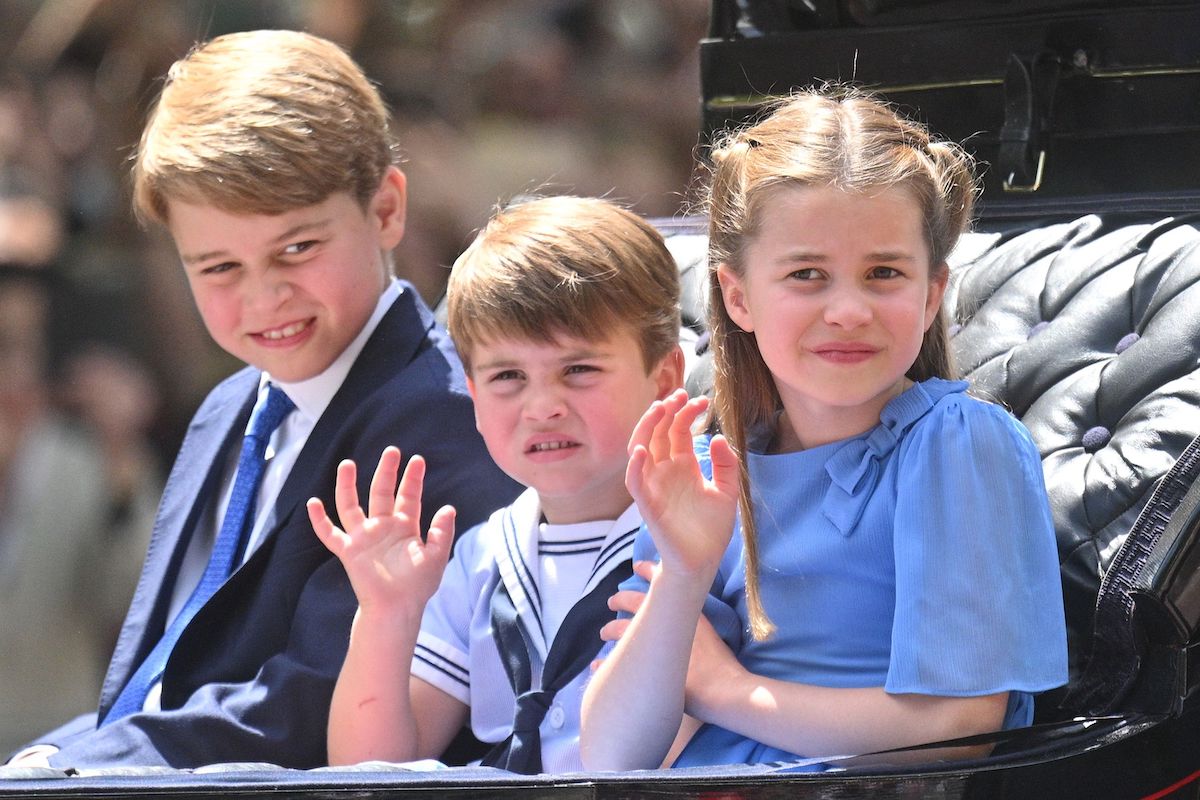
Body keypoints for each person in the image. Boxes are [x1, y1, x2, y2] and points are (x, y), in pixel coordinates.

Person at [6, 29, 519, 770]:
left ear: (385, 211)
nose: (263, 297)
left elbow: (308, 700)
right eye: (217, 266)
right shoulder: (229, 409)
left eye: (297, 249)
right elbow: (167, 678)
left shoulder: (443, 416)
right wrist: (56, 756)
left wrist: (81, 768)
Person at [580, 87, 1069, 770]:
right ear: (739, 296)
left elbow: (959, 723)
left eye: (884, 274)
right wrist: (683, 575)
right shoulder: (710, 472)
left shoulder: (956, 445)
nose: (847, 309)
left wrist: (729, 689)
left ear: (931, 295)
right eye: (807, 274)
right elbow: (608, 754)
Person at [308, 196, 685, 773]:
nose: (543, 407)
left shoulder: (707, 534)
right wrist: (387, 614)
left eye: (578, 370)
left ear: (665, 379)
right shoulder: (478, 559)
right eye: (508, 376)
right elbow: (369, 769)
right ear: (474, 397)